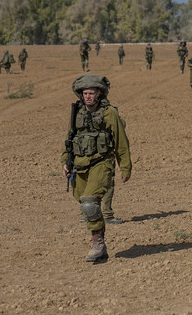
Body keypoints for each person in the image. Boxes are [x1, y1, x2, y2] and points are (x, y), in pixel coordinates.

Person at [61, 74, 132, 262]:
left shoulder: (109, 113)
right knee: (83, 202)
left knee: (90, 202)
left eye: (92, 93)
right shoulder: (77, 112)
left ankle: (97, 244)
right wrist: (65, 163)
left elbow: (121, 141)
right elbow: (69, 139)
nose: (88, 97)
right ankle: (100, 244)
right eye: (85, 93)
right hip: (80, 164)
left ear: (99, 94)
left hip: (102, 162)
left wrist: (125, 167)